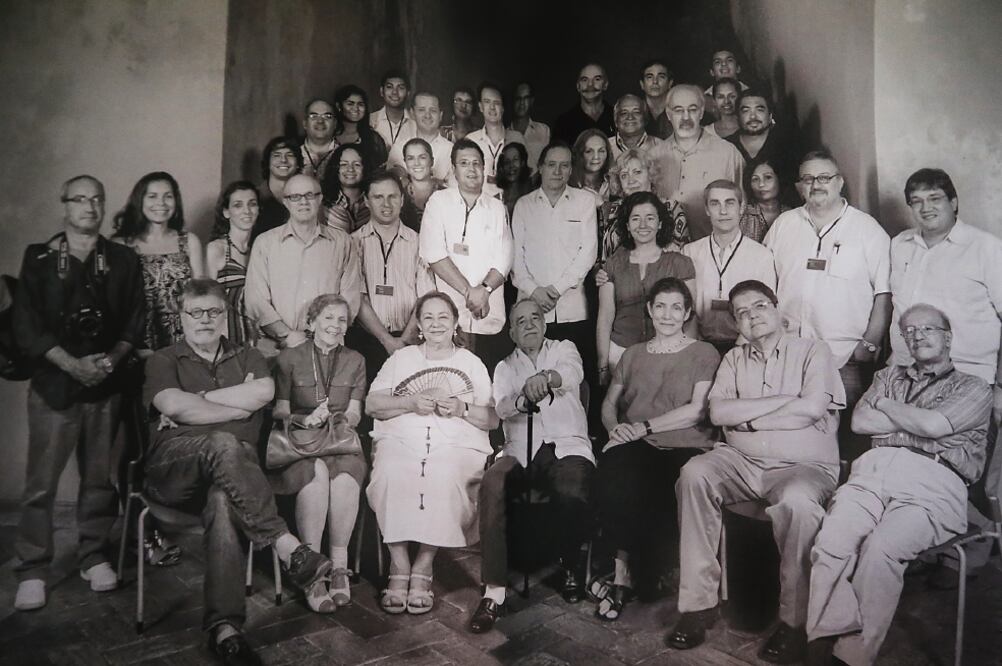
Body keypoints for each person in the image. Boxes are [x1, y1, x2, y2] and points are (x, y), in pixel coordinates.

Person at [143, 279, 334, 663]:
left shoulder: (248, 357)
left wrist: (194, 404)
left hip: (233, 478)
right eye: (195, 312)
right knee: (224, 442)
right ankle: (287, 546)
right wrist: (234, 407)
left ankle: (224, 628)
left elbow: (261, 395)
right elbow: (171, 405)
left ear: (225, 315)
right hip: (174, 468)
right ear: (180, 317)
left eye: (214, 311)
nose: (205, 320)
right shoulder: (163, 359)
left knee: (223, 498)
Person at [667, 279, 844, 664]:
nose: (752, 316)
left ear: (778, 309)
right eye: (742, 313)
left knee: (798, 504)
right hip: (741, 462)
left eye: (760, 306)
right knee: (694, 473)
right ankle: (698, 605)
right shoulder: (732, 359)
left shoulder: (814, 351)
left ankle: (794, 623)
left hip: (803, 466)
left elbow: (813, 408)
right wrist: (785, 403)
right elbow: (718, 413)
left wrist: (747, 418)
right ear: (735, 324)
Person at [806, 305, 993, 666]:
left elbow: (935, 425)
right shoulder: (889, 375)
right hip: (871, 473)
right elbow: (860, 421)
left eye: (928, 329)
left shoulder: (974, 387)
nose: (917, 335)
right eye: (909, 330)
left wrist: (889, 409)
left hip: (934, 483)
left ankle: (851, 656)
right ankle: (821, 640)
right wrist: (918, 425)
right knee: (832, 541)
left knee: (881, 549)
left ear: (948, 337)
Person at [12, 175, 145, 612]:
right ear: (64, 205)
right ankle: (33, 569)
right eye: (80, 199)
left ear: (105, 206)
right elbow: (26, 325)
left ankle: (92, 556)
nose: (89, 206)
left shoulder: (122, 259)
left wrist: (109, 360)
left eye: (97, 199)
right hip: (54, 386)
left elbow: (134, 320)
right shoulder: (41, 258)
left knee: (97, 480)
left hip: (104, 384)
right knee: (40, 487)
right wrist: (72, 364)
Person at [887, 167, 1002, 589]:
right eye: (916, 201)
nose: (925, 208)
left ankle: (966, 556)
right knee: (915, 463)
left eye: (934, 198)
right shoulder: (901, 246)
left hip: (968, 379)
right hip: (908, 377)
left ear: (954, 202)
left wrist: (1001, 387)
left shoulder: (986, 248)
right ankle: (921, 546)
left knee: (960, 469)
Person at [365, 292, 498, 614]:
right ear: (419, 326)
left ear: (455, 323)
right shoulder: (402, 359)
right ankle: (399, 564)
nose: (436, 323)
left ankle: (424, 564)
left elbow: (492, 418)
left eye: (443, 317)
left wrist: (462, 408)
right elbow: (372, 404)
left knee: (444, 472)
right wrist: (408, 403)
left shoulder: (471, 363)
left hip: (455, 442)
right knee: (389, 471)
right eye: (428, 318)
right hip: (402, 436)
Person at [594, 278, 719, 620]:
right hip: (637, 442)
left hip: (685, 443)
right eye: (660, 306)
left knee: (660, 483)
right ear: (649, 310)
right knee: (615, 474)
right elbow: (609, 404)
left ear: (687, 312)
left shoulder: (703, 352)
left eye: (676, 307)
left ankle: (654, 573)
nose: (667, 314)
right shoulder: (633, 354)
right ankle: (621, 575)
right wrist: (614, 430)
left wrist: (643, 428)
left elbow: (698, 409)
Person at [470, 299, 596, 634]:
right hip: (519, 450)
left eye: (535, 318)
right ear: (511, 331)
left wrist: (546, 377)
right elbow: (501, 407)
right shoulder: (504, 367)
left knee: (572, 486)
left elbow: (572, 374)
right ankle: (494, 591)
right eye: (520, 321)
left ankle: (570, 562)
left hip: (566, 444)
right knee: (493, 483)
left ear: (544, 323)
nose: (528, 325)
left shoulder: (564, 348)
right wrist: (522, 399)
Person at [764, 149, 891, 461]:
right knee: (798, 440)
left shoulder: (867, 229)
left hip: (845, 356)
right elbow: (765, 284)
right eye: (808, 179)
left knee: (850, 441)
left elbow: (884, 294)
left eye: (824, 177)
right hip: (792, 355)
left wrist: (869, 344)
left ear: (840, 182)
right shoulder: (783, 225)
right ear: (798, 187)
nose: (816, 184)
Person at [270, 293, 367, 613]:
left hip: (339, 440)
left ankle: (339, 567)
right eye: (328, 318)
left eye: (342, 320)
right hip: (300, 444)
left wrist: (338, 419)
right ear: (311, 323)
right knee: (316, 476)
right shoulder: (288, 358)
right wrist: (305, 419)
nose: (335, 325)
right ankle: (311, 571)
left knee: (345, 480)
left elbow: (355, 412)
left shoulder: (356, 360)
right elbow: (280, 412)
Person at [419, 139, 514, 374]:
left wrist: (485, 290)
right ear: (453, 170)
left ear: (485, 169)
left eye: (477, 163)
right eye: (464, 163)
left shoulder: (496, 208)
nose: (472, 169)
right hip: (448, 318)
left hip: (488, 318)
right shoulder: (438, 202)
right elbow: (434, 255)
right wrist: (469, 293)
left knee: (484, 388)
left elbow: (505, 258)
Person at [245, 173, 363, 354]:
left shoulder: (344, 242)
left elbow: (350, 299)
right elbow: (256, 300)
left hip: (328, 348)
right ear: (286, 202)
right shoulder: (265, 243)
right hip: (277, 348)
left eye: (309, 195)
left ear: (320, 198)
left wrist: (322, 336)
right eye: (295, 197)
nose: (303, 202)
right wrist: (286, 335)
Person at [511, 142, 597, 365]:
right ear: (540, 167)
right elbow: (515, 259)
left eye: (564, 165)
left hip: (572, 307)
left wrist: (556, 290)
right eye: (551, 165)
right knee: (532, 374)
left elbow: (588, 253)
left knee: (573, 375)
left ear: (571, 169)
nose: (557, 172)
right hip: (531, 309)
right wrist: (535, 292)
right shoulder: (523, 205)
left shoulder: (585, 202)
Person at [596, 191, 696, 381]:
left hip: (669, 352)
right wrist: (602, 366)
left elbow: (690, 316)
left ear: (659, 224)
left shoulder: (680, 262)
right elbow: (605, 318)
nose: (643, 225)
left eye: (650, 218)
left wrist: (688, 359)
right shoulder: (613, 264)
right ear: (627, 225)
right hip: (621, 353)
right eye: (636, 218)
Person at [351, 171, 437, 381]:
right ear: (366, 201)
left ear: (402, 199)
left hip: (411, 340)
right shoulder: (353, 243)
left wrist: (403, 342)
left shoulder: (419, 242)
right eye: (378, 197)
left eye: (392, 196)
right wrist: (387, 340)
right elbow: (358, 298)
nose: (386, 203)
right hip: (367, 342)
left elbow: (425, 299)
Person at [113, 171, 205, 353]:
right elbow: (116, 303)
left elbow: (201, 295)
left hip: (184, 341)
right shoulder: (122, 244)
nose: (161, 203)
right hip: (136, 341)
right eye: (152, 196)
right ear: (140, 200)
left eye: (168, 196)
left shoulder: (189, 241)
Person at [682, 180, 776, 354]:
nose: (723, 211)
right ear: (707, 210)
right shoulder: (689, 252)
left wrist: (738, 352)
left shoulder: (761, 256)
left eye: (729, 203)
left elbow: (765, 310)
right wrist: (694, 348)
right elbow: (685, 306)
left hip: (745, 346)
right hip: (699, 344)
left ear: (741, 208)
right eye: (715, 203)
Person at [649, 84, 745, 241]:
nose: (686, 117)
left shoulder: (728, 153)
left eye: (692, 110)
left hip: (711, 252)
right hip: (665, 253)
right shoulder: (653, 156)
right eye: (678, 110)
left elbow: (742, 209)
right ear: (668, 114)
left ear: (701, 112)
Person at [603, 148, 689, 258]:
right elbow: (603, 259)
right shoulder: (612, 210)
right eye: (624, 175)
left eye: (637, 172)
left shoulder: (672, 208)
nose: (631, 181)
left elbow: (682, 257)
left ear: (650, 174)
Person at [206, 181, 261, 346]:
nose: (247, 211)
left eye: (252, 204)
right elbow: (205, 301)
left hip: (254, 343)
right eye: (238, 205)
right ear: (226, 212)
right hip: (223, 341)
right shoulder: (217, 249)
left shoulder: (260, 250)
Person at [726, 90, 796, 188]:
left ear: (770, 115)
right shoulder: (726, 146)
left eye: (759, 110)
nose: (753, 116)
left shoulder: (787, 145)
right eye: (746, 110)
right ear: (737, 117)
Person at [466, 82, 525, 198]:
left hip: (511, 205)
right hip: (480, 206)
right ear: (480, 106)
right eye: (487, 102)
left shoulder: (517, 138)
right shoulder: (471, 140)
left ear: (503, 108)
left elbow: (528, 177)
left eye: (496, 103)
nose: (492, 107)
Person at [386, 91, 453, 183]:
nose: (427, 115)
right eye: (421, 110)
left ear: (440, 115)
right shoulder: (398, 148)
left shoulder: (451, 150)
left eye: (433, 110)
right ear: (412, 114)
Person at [553, 63, 616, 145]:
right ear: (578, 86)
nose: (590, 84)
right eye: (584, 80)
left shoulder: (617, 117)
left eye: (597, 79)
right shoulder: (564, 123)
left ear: (605, 85)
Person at [332, 84, 389, 172]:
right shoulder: (329, 135)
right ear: (339, 106)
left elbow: (380, 171)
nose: (356, 108)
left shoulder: (373, 139)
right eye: (350, 104)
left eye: (360, 104)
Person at [256, 136, 303, 240]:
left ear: (298, 164)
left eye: (290, 155)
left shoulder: (306, 198)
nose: (283, 160)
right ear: (267, 163)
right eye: (277, 155)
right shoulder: (254, 197)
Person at [320, 144, 371, 234]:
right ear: (336, 169)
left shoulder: (374, 200)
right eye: (344, 164)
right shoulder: (323, 202)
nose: (350, 169)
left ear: (365, 168)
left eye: (357, 164)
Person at [398, 137, 446, 232]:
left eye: (422, 157)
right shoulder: (398, 195)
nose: (416, 163)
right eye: (410, 158)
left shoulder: (446, 195)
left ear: (431, 161)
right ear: (405, 163)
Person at [739, 159, 790, 242]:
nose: (761, 184)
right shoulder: (742, 215)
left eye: (768, 177)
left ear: (779, 179)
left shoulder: (791, 214)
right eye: (755, 179)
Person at [508, 82, 551, 174]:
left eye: (526, 98)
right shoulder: (504, 134)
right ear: (513, 101)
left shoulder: (544, 130)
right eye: (518, 99)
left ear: (531, 101)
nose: (522, 103)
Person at [370, 69, 416, 153]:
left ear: (408, 93)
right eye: (389, 87)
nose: (395, 92)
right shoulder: (370, 121)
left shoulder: (416, 123)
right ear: (381, 91)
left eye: (401, 88)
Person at [608, 94, 663, 162]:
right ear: (616, 120)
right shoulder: (604, 147)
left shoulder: (661, 147)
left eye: (636, 112)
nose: (630, 117)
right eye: (624, 113)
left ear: (645, 118)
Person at [300, 98, 339, 181]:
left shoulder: (345, 156)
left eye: (327, 116)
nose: (320, 121)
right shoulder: (292, 155)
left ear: (335, 124)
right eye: (313, 116)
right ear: (305, 124)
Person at [496, 142, 535, 219]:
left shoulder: (533, 197)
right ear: (502, 167)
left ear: (522, 163)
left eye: (515, 160)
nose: (511, 165)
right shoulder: (497, 201)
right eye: (507, 162)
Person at [639, 59, 674, 139]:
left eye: (661, 77)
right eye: (649, 77)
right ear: (642, 84)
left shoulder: (679, 111)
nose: (655, 81)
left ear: (670, 83)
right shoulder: (634, 113)